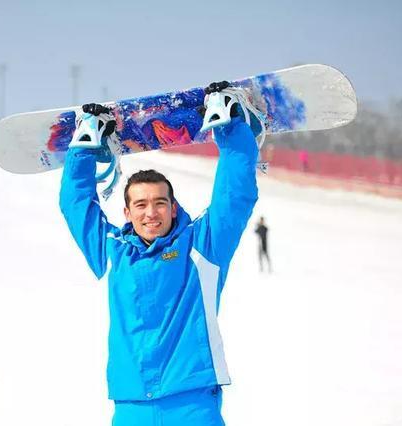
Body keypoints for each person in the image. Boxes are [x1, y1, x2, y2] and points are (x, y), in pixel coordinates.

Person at [59, 84, 259, 426]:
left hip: (192, 403)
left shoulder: (202, 247)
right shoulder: (112, 253)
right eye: (141, 204)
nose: (151, 212)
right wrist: (82, 150)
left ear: (173, 207)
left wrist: (230, 128)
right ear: (127, 212)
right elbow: (75, 206)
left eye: (159, 203)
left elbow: (235, 194)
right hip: (131, 405)